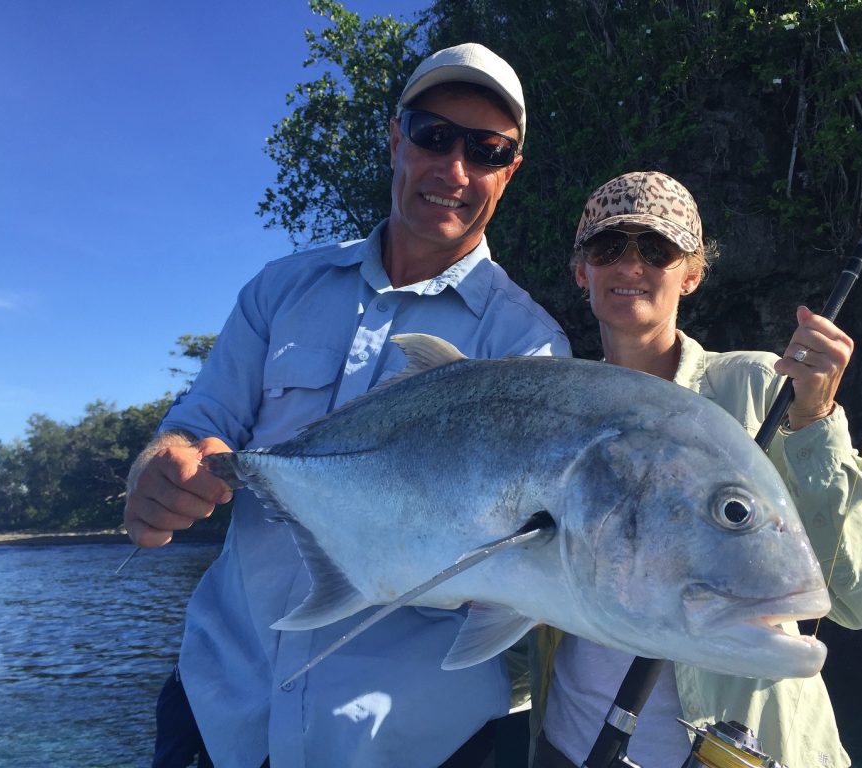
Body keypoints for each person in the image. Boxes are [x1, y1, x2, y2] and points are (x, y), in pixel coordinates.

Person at [124, 43, 570, 768]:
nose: (455, 169)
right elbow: (199, 425)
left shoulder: (529, 348)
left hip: (405, 743)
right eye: (433, 135)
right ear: (396, 139)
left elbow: (525, 563)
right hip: (219, 709)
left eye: (486, 150)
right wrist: (163, 468)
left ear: (509, 173)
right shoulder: (280, 289)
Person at [530, 171, 862, 768]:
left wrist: (816, 419)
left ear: (692, 273)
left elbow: (861, 597)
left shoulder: (763, 388)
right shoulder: (551, 408)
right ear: (582, 272)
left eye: (656, 250)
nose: (629, 265)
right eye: (607, 247)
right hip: (568, 748)